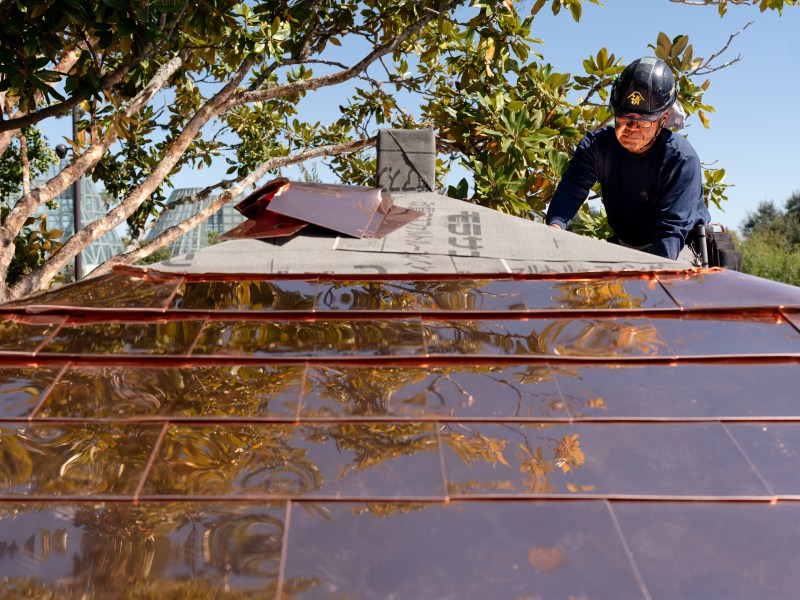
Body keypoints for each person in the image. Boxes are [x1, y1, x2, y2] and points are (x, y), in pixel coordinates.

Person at [545, 56, 710, 261]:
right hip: (627, 247)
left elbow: (672, 231)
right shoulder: (597, 148)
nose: (630, 128)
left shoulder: (680, 160)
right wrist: (554, 228)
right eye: (624, 119)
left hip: (679, 248)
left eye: (642, 122)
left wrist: (657, 279)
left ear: (663, 118)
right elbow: (572, 188)